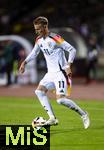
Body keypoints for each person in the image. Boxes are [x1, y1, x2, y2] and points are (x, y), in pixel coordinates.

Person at [19, 16, 90, 129]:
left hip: (60, 73)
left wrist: (68, 65)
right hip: (50, 74)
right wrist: (24, 62)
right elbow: (34, 52)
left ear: (45, 27)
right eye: (35, 29)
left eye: (38, 29)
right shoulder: (39, 40)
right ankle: (52, 118)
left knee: (61, 100)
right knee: (39, 92)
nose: (36, 31)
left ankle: (84, 114)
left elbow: (72, 49)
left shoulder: (56, 38)